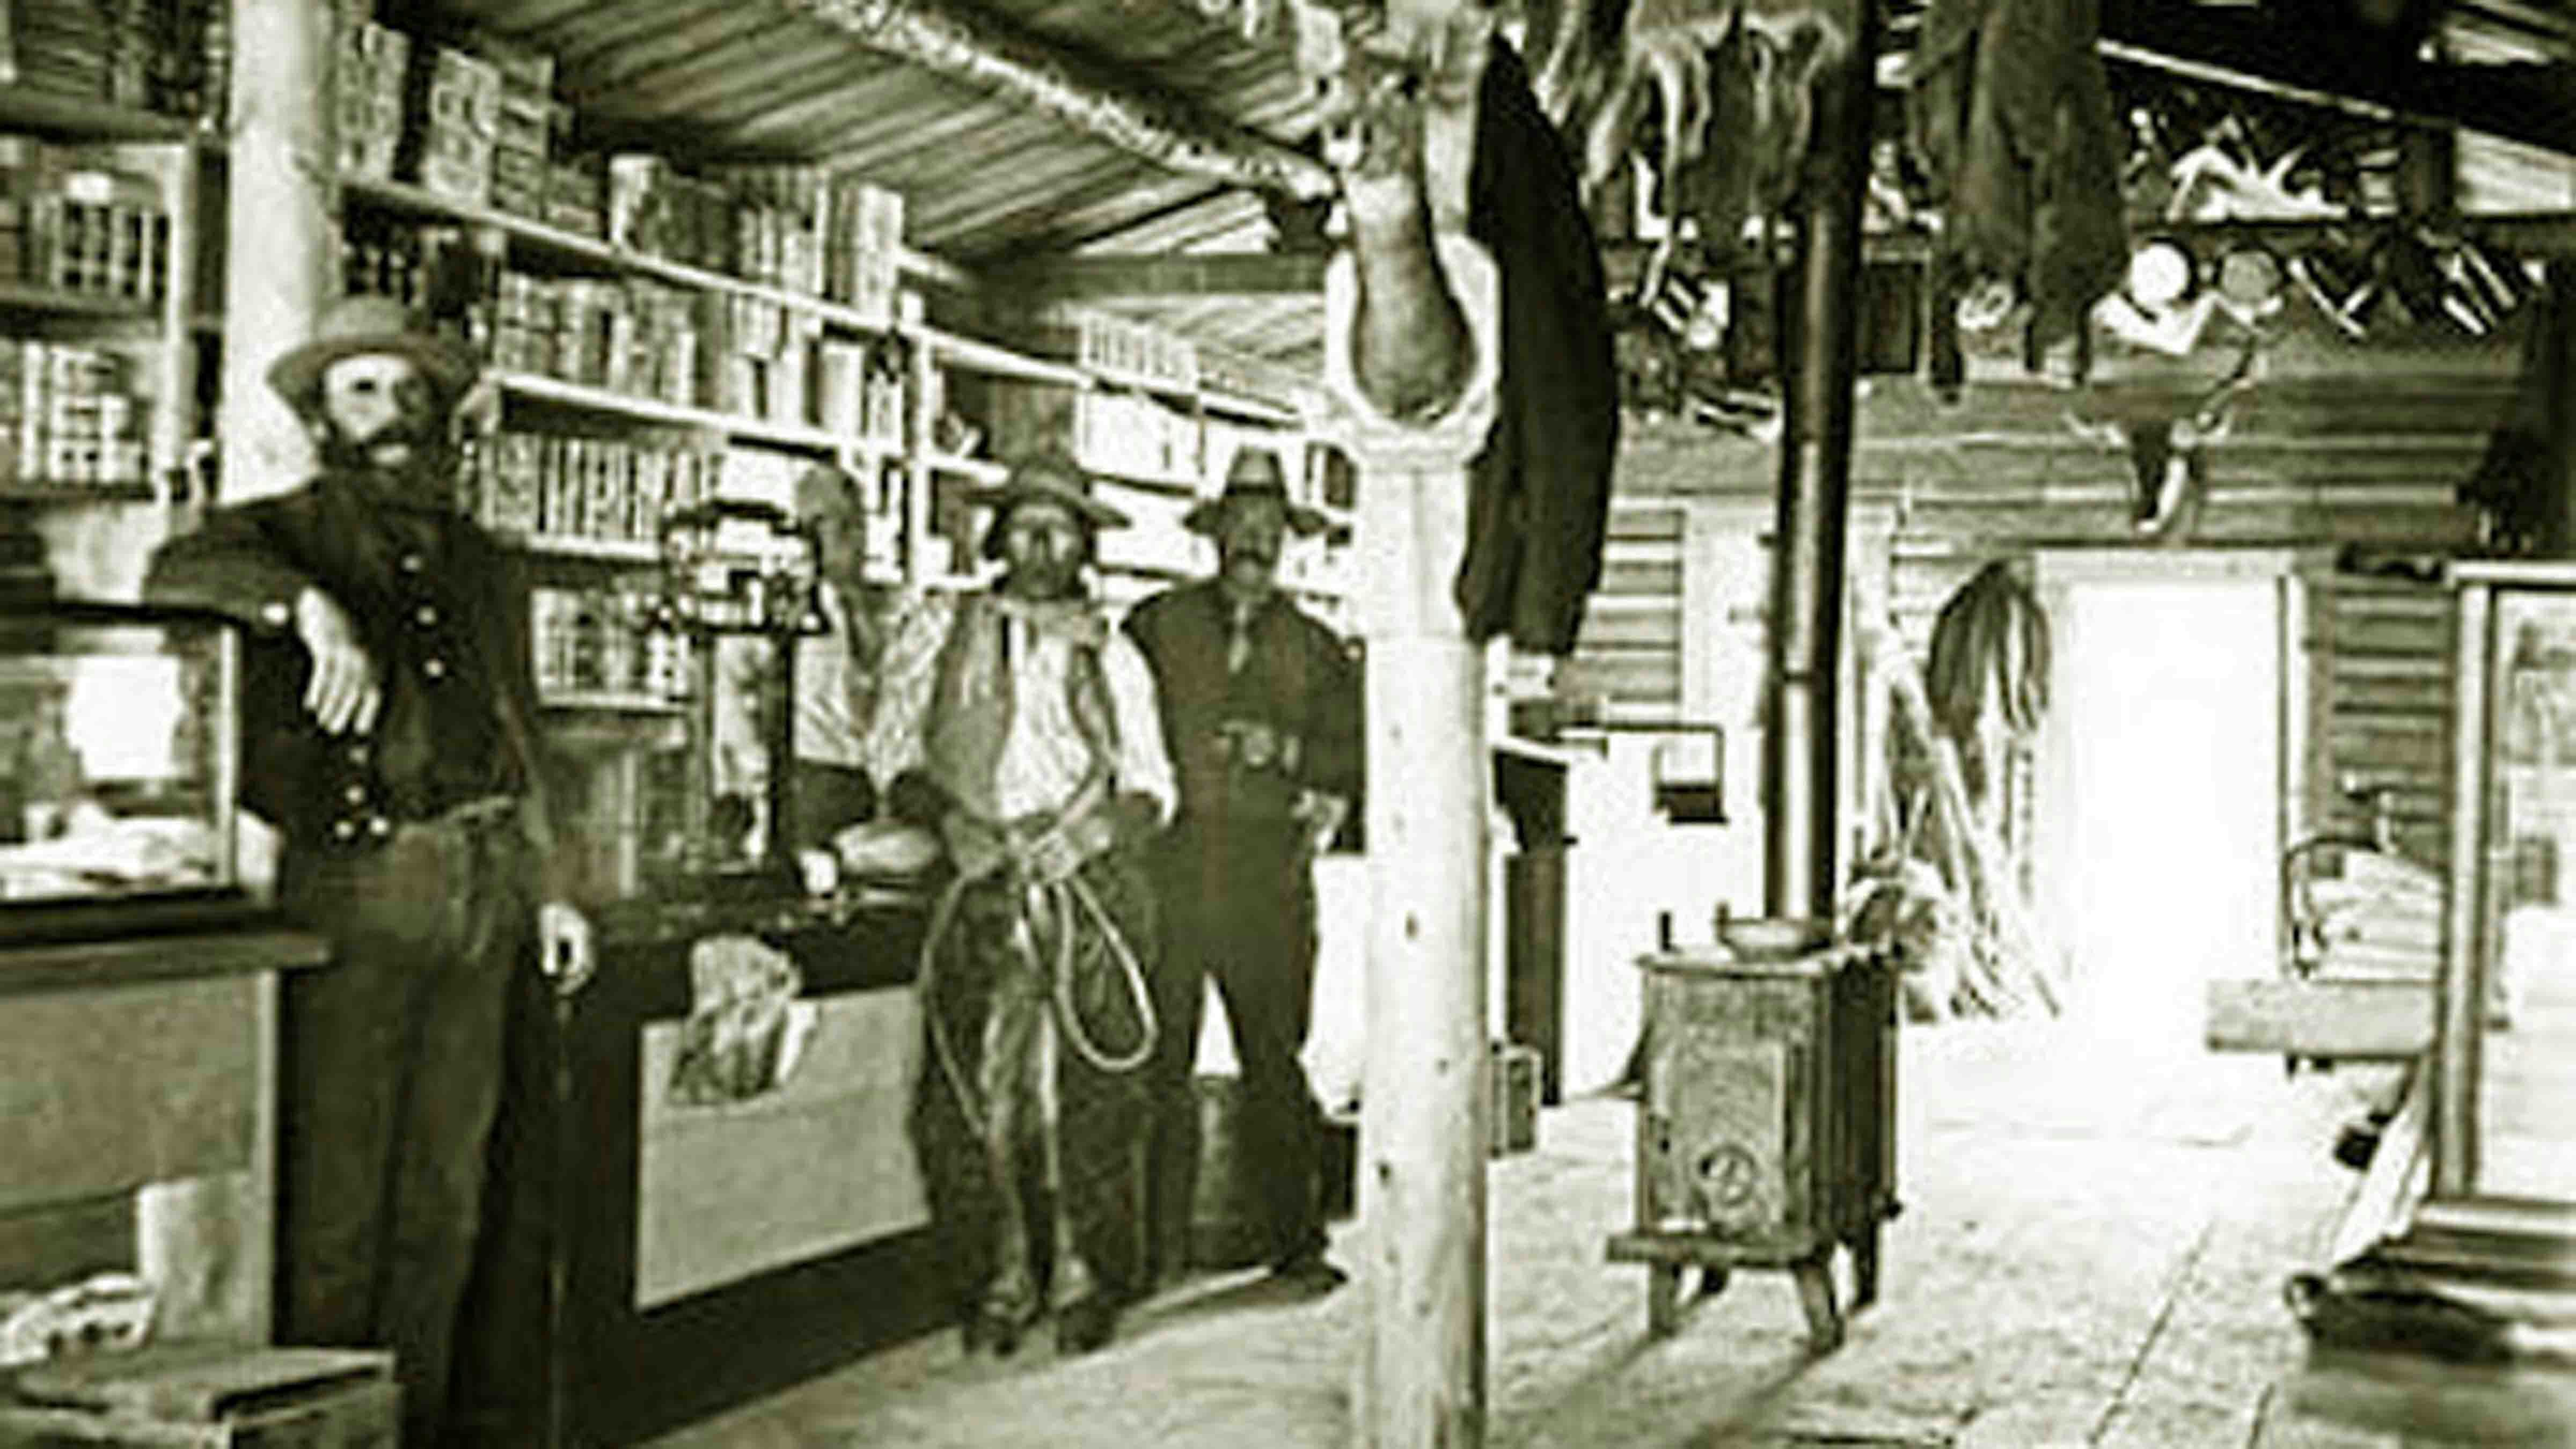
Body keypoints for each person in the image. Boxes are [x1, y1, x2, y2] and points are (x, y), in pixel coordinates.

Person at [142, 296, 593, 1447]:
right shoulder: (279, 533)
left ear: (438, 411)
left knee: (448, 1200)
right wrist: (309, 612)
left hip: (485, 885)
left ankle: (417, 1428)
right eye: (361, 390)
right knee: (338, 1203)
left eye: (409, 391)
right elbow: (172, 571)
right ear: (322, 416)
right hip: (358, 883)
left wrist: (557, 889)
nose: (391, 412)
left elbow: (522, 733)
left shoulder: (487, 563)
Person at [863, 450, 1176, 1355]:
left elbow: (1154, 783)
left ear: (1084, 543)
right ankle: (997, 1272)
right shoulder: (940, 630)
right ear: (1000, 535)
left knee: (1088, 1092)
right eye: (1028, 525)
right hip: (980, 877)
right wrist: (954, 823)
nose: (1043, 542)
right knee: (976, 1095)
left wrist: (1089, 836)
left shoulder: (1114, 652)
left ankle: (1086, 1272)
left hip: (1086, 886)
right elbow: (891, 757)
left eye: (1062, 527)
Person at [1124, 447, 1362, 1297]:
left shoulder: (1319, 648)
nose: (1252, 543)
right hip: (1171, 861)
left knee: (1274, 1059)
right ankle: (1149, 1253)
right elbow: (1109, 719)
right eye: (1240, 527)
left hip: (1268, 874)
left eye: (1268, 531)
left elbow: (1357, 762)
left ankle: (1295, 1246)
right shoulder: (1155, 625)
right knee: (1158, 1062)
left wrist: (1288, 753)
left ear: (1288, 542)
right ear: (1216, 533)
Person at [786, 463, 884, 852]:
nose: (856, 542)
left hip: (861, 776)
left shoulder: (865, 606)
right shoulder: (790, 603)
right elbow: (731, 690)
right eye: (841, 527)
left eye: (859, 526)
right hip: (806, 776)